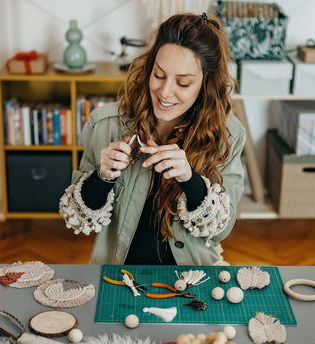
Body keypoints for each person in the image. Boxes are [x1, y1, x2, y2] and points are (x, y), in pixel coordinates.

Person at [59, 12, 245, 265]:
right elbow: (78, 219)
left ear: (206, 84)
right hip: (119, 275)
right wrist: (103, 177)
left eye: (183, 82)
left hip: (193, 277)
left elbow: (221, 229)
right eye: (159, 75)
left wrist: (190, 180)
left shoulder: (227, 135)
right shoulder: (104, 123)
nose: (165, 92)